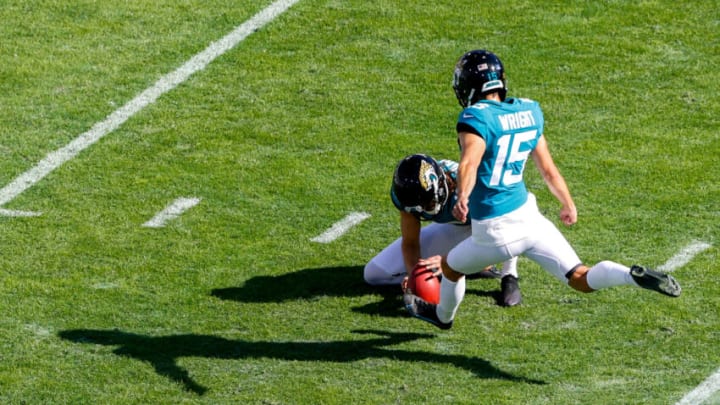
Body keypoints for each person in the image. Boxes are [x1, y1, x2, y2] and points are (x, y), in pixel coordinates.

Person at [404, 49, 681, 329]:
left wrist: (462, 195)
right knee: (580, 278)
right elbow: (548, 170)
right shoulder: (528, 111)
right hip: (529, 218)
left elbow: (469, 164)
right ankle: (629, 276)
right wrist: (568, 203)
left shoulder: (476, 117)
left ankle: (443, 317)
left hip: (493, 229)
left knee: (451, 268)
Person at [364, 153, 522, 306]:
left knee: (501, 227)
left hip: (490, 227)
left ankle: (509, 275)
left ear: (440, 187)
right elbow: (410, 243)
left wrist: (449, 261)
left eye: (427, 204)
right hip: (455, 227)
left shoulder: (471, 187)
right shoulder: (409, 195)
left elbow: (505, 223)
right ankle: (468, 268)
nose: (422, 211)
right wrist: (414, 278)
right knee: (373, 274)